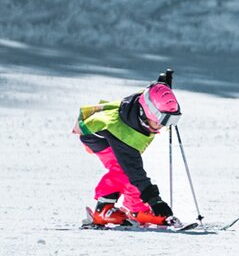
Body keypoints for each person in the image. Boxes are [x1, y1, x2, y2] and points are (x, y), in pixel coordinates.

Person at [77, 71, 183, 228]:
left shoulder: (144, 105)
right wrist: (155, 201)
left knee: (130, 173)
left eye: (171, 119)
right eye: (162, 120)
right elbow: (135, 172)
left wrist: (163, 85)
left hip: (114, 128)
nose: (164, 125)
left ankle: (137, 210)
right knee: (124, 170)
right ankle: (103, 209)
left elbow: (151, 92)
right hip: (98, 135)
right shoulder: (124, 135)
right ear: (147, 114)